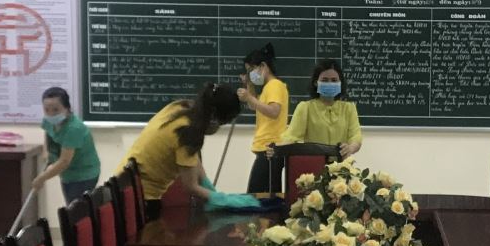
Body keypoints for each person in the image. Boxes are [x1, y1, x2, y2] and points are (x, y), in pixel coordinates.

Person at [120, 83, 241, 218]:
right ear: (213, 117)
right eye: (222, 122)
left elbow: (192, 159)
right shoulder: (187, 132)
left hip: (124, 187)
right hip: (140, 200)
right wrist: (222, 200)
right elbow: (190, 187)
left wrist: (207, 185)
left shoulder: (180, 108)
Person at [277, 59, 363, 158]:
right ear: (316, 83)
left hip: (341, 165)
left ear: (340, 83)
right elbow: (291, 137)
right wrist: (277, 148)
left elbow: (356, 137)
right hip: (314, 164)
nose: (330, 83)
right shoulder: (305, 108)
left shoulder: (349, 108)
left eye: (334, 80)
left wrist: (350, 148)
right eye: (325, 80)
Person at [33, 86, 102, 204]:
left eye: (56, 110)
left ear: (67, 108)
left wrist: (42, 178)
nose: (51, 114)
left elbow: (64, 161)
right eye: (46, 110)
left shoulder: (74, 128)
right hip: (67, 174)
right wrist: (47, 153)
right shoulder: (48, 120)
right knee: (70, 206)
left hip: (84, 174)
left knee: (77, 210)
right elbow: (48, 134)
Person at [238, 44, 289, 196]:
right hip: (266, 148)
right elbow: (255, 106)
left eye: (251, 70)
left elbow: (274, 111)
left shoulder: (275, 85)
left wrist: (249, 97)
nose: (250, 74)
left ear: (263, 66)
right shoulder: (268, 87)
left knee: (258, 196)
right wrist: (249, 85)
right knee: (263, 195)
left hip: (270, 149)